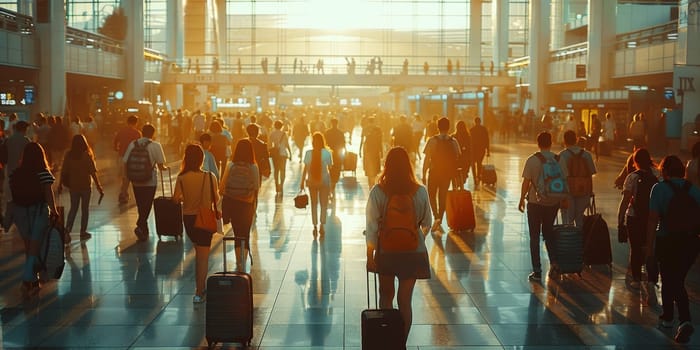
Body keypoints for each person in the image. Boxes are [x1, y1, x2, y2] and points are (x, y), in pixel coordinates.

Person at [365, 147, 432, 345]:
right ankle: (400, 343)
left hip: (387, 253)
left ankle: (386, 342)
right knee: (405, 302)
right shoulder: (420, 191)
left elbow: (370, 227)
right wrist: (414, 237)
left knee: (386, 298)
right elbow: (427, 222)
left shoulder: (378, 191)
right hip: (413, 253)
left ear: (387, 165)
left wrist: (370, 255)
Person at [646, 155, 700, 344]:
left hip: (667, 240)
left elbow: (653, 220)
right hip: (691, 242)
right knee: (674, 278)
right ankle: (668, 317)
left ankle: (684, 320)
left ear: (664, 171)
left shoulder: (659, 188)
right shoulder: (693, 189)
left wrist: (649, 248)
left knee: (671, 278)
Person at [172, 144, 220, 304]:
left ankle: (199, 289)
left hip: (189, 219)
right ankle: (199, 291)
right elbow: (217, 199)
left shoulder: (181, 177)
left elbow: (175, 198)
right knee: (203, 257)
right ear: (201, 159)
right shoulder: (210, 176)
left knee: (198, 252)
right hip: (205, 219)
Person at [10, 142, 59, 298]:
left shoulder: (16, 173)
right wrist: (55, 211)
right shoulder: (43, 172)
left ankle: (32, 279)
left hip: (21, 213)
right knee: (35, 246)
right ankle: (27, 277)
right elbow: (48, 194)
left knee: (29, 246)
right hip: (38, 211)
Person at [518, 132, 561, 281]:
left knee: (534, 236)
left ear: (538, 143)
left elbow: (526, 182)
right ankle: (554, 262)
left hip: (535, 203)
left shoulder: (532, 160)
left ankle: (537, 271)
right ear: (551, 142)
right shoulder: (558, 159)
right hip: (553, 202)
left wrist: (521, 199)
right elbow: (564, 180)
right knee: (549, 232)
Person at [617, 148, 659, 291]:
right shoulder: (657, 174)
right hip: (652, 217)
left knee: (635, 248)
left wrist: (620, 219)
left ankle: (636, 278)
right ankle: (652, 279)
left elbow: (626, 200)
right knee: (650, 248)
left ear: (635, 162)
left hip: (634, 217)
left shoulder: (632, 177)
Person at [122, 124, 167, 241]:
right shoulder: (156, 145)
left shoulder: (133, 144)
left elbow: (125, 161)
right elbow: (161, 165)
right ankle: (140, 224)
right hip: (150, 180)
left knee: (141, 204)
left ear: (141, 132)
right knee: (147, 205)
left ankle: (144, 229)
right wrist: (165, 168)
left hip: (135, 180)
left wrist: (126, 179)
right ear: (153, 133)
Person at [221, 139, 259, 271]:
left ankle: (238, 262)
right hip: (247, 204)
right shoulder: (253, 167)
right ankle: (243, 261)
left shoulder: (230, 165)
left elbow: (222, 187)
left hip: (232, 203)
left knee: (237, 233)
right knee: (245, 233)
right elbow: (256, 186)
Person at [59, 134, 104, 241]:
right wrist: (99, 187)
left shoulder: (68, 155)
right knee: (85, 209)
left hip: (73, 186)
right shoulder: (86, 156)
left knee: (73, 208)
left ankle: (67, 230)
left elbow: (64, 171)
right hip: (85, 186)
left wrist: (60, 184)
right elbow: (93, 173)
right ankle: (83, 232)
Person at [422, 117, 460, 233]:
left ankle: (436, 216)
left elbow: (427, 159)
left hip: (434, 172)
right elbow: (457, 158)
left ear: (438, 127)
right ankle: (440, 219)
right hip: (447, 174)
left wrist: (423, 173)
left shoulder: (432, 140)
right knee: (443, 196)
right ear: (449, 128)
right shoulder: (453, 141)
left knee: (431, 195)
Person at [558, 130, 596, 227]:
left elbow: (558, 175)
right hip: (584, 189)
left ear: (564, 141)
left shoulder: (561, 155)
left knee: (568, 218)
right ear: (576, 140)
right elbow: (591, 173)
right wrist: (590, 191)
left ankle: (569, 238)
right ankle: (580, 239)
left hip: (567, 190)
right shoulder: (587, 155)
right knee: (579, 217)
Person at [300, 132, 333, 237]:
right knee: (324, 204)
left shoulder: (308, 153)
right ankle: (322, 225)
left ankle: (314, 226)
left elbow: (305, 169)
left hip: (311, 181)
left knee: (314, 204)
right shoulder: (327, 153)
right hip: (324, 181)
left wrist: (302, 182)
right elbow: (330, 167)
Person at [113, 115, 141, 204]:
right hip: (133, 158)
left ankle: (124, 194)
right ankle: (126, 194)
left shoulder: (121, 131)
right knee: (132, 177)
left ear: (127, 122)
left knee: (125, 177)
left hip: (122, 156)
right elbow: (139, 146)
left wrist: (116, 148)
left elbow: (115, 141)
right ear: (136, 123)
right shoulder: (137, 133)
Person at [268, 120, 292, 193]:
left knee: (276, 170)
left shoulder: (272, 134)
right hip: (283, 154)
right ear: (282, 126)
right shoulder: (284, 134)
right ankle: (281, 185)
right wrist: (290, 153)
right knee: (283, 170)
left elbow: (269, 145)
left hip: (275, 154)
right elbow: (287, 144)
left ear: (274, 126)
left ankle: (276, 185)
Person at [360, 117, 383, 188]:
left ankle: (370, 184)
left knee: (368, 166)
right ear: (374, 121)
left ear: (368, 121)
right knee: (376, 167)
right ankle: (373, 183)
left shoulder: (365, 128)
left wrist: (360, 150)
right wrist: (381, 151)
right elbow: (380, 141)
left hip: (367, 149)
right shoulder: (378, 129)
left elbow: (362, 140)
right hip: (376, 149)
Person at [470, 117, 490, 190]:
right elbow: (487, 140)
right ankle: (478, 176)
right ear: (480, 121)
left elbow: (469, 141)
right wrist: (488, 151)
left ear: (474, 122)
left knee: (473, 164)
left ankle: (475, 178)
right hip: (481, 149)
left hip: (473, 150)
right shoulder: (484, 129)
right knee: (479, 163)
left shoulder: (471, 130)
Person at [452, 120, 472, 190]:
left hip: (455, 160)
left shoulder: (453, 137)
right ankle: (461, 186)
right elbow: (470, 149)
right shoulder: (468, 137)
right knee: (464, 175)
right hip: (465, 160)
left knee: (454, 175)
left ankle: (455, 187)